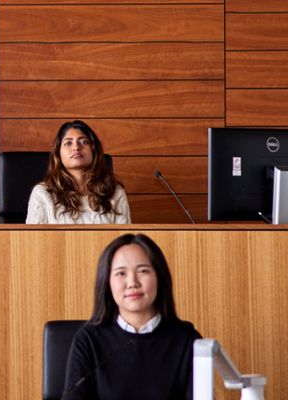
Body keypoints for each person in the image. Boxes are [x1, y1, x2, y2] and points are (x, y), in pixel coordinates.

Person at [63, 234, 201, 400]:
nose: (132, 282)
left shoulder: (187, 340)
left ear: (159, 277)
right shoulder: (89, 340)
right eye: (121, 273)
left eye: (143, 271)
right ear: (107, 283)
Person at [26, 120, 129, 224]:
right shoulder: (43, 193)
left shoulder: (115, 192)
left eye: (84, 142)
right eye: (68, 143)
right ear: (58, 154)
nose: (76, 147)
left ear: (94, 150)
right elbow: (33, 239)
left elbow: (124, 238)